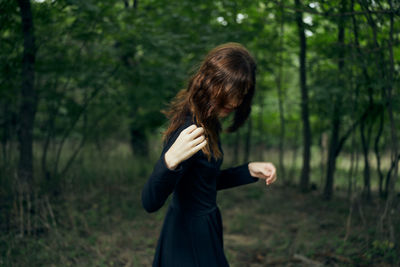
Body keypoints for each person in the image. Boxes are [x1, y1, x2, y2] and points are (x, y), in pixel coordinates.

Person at [141, 43, 277, 267]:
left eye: (242, 93)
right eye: (231, 92)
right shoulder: (188, 129)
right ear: (211, 82)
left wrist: (249, 170)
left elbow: (202, 182)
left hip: (205, 227)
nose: (235, 102)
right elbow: (149, 202)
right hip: (188, 236)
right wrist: (168, 162)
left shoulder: (208, 121)